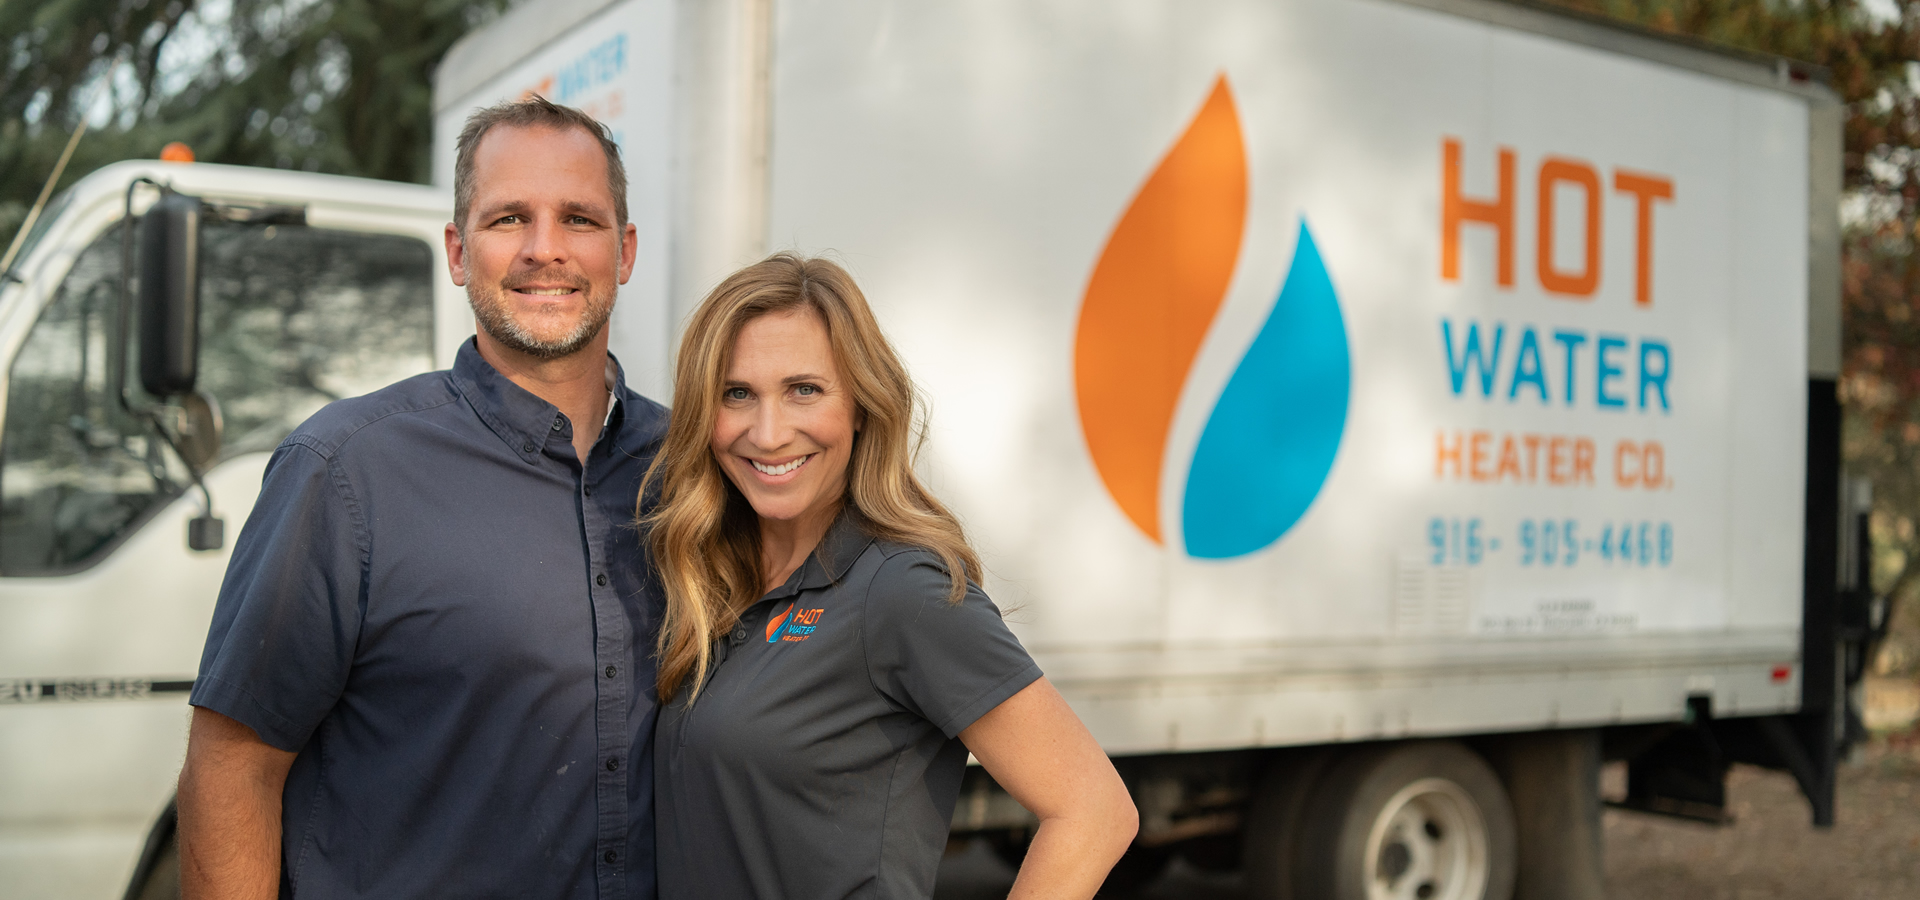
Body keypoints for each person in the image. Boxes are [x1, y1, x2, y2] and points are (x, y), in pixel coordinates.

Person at [175, 96, 669, 899]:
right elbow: (233, 768)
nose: (545, 249)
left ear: (625, 251)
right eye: (508, 218)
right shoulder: (343, 472)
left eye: (579, 219)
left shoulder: (690, 471)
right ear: (458, 251)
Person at [648, 253, 1138, 899]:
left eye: (804, 390)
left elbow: (1094, 812)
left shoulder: (902, 590)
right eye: (737, 394)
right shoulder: (712, 581)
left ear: (861, 404)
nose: (768, 433)